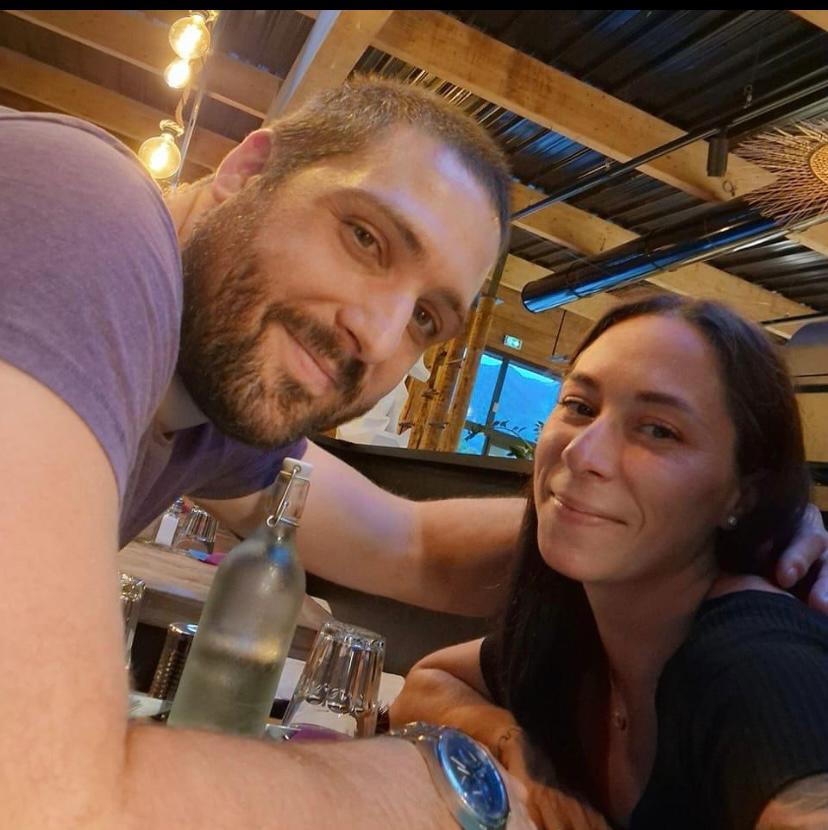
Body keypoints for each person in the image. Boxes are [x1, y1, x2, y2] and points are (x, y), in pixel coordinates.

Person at [0, 73, 825, 827]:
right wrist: (445, 782)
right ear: (250, 168)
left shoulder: (207, 419)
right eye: (367, 239)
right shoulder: (88, 215)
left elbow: (411, 545)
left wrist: (711, 531)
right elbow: (49, 801)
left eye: (427, 318)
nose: (376, 332)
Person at [391, 296, 828, 830]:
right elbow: (428, 682)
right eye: (579, 406)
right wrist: (514, 745)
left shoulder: (754, 659)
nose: (582, 453)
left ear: (742, 494)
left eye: (658, 430)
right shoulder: (580, 627)